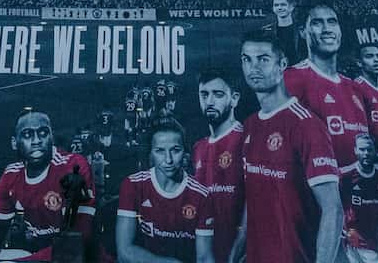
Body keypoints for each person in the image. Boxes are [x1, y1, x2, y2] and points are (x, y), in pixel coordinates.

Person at [238, 28, 342, 263]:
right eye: (247, 59)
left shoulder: (306, 125)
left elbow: (333, 210)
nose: (253, 68)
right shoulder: (250, 125)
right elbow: (252, 202)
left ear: (282, 63)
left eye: (263, 59)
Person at [0, 109, 97, 260]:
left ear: (51, 137)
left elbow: (77, 240)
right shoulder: (11, 175)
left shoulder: (73, 167)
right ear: (14, 143)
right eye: (27, 134)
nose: (36, 141)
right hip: (41, 256)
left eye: (43, 133)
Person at [284, 1, 370, 169]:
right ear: (303, 31)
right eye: (317, 23)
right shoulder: (291, 78)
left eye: (332, 22)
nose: (327, 29)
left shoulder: (355, 88)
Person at [116, 119, 215, 263]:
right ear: (151, 153)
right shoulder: (133, 185)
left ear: (185, 152)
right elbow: (124, 252)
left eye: (175, 150)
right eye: (160, 151)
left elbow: (204, 257)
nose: (168, 160)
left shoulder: (201, 195)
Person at [190, 69, 245, 263]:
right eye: (204, 94)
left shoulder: (247, 140)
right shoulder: (199, 147)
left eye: (218, 94)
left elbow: (256, 206)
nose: (210, 101)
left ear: (234, 98)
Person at [339, 134, 378, 263]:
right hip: (352, 235)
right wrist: (341, 228)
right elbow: (335, 205)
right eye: (362, 149)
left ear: (375, 150)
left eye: (369, 149)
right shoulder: (345, 175)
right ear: (355, 150)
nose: (366, 153)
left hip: (374, 235)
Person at [265, 0, 302, 65]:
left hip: (298, 70)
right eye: (276, 5)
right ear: (273, 8)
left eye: (283, 5)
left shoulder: (302, 29)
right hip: (276, 70)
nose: (279, 8)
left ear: (291, 7)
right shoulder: (267, 31)